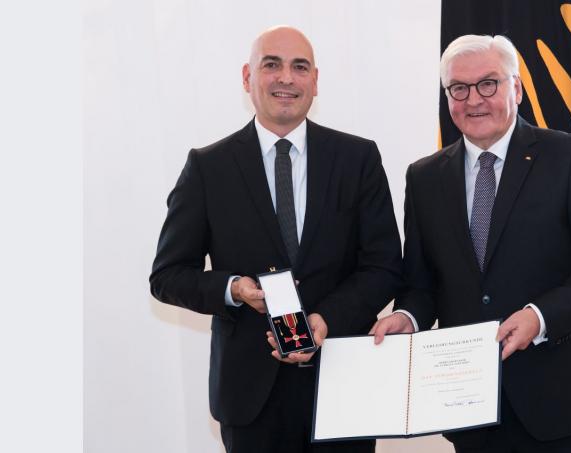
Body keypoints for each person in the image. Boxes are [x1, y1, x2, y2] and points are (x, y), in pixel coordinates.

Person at [371, 34, 571, 452]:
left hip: (566, 405)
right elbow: (423, 284)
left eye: (488, 83)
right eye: (459, 88)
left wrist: (540, 316)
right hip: (474, 415)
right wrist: (409, 317)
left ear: (517, 87)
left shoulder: (570, 156)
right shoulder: (424, 178)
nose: (474, 99)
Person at [150, 26, 402, 453]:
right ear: (248, 77)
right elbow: (168, 275)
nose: (286, 78)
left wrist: (325, 320)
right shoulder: (208, 168)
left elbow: (383, 267)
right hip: (251, 400)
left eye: (299, 67)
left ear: (315, 81)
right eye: (272, 65)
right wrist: (233, 289)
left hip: (343, 388)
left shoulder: (358, 159)